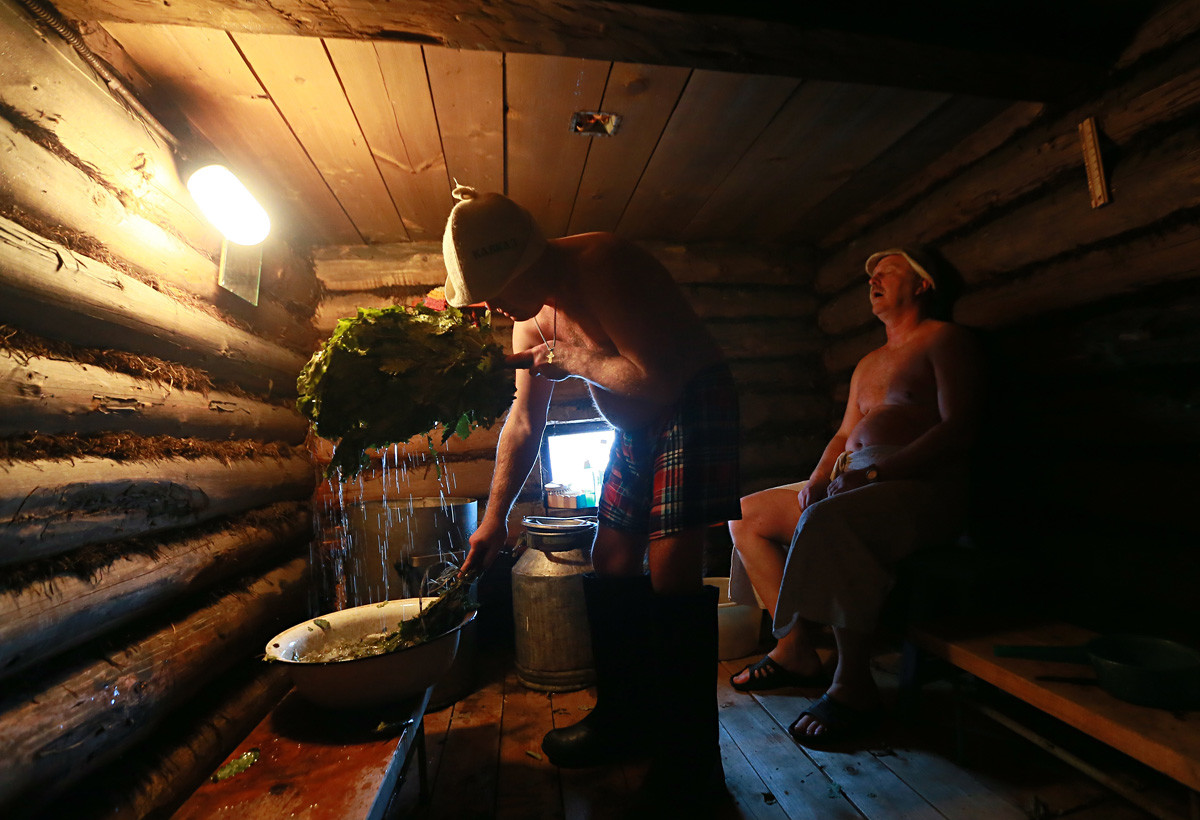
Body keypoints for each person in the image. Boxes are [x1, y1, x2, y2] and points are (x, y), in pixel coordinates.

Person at [442, 184, 740, 809]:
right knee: (608, 563)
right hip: (633, 422)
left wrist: (571, 356)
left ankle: (690, 766)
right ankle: (624, 720)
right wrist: (494, 520)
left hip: (689, 400)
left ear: (525, 257)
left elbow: (658, 379)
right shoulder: (529, 312)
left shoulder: (601, 264)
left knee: (669, 575)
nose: (495, 306)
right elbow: (525, 422)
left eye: (497, 288)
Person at [727, 246, 982, 747]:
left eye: (888, 272)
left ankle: (854, 684)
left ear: (923, 285)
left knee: (830, 520)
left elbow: (961, 427)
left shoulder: (944, 340)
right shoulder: (868, 363)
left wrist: (879, 473)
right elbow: (844, 435)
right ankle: (795, 649)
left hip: (919, 485)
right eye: (871, 276)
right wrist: (821, 476)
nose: (874, 281)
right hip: (854, 477)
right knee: (743, 517)